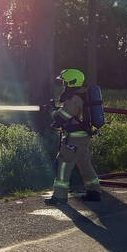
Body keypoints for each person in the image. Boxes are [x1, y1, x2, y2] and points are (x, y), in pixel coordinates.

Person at [45, 68, 102, 204]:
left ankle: (59, 196)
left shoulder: (75, 98)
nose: (63, 85)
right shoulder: (82, 94)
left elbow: (62, 117)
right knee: (84, 164)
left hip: (74, 138)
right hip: (82, 137)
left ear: (71, 83)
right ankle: (94, 192)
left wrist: (52, 111)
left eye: (64, 82)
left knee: (64, 163)